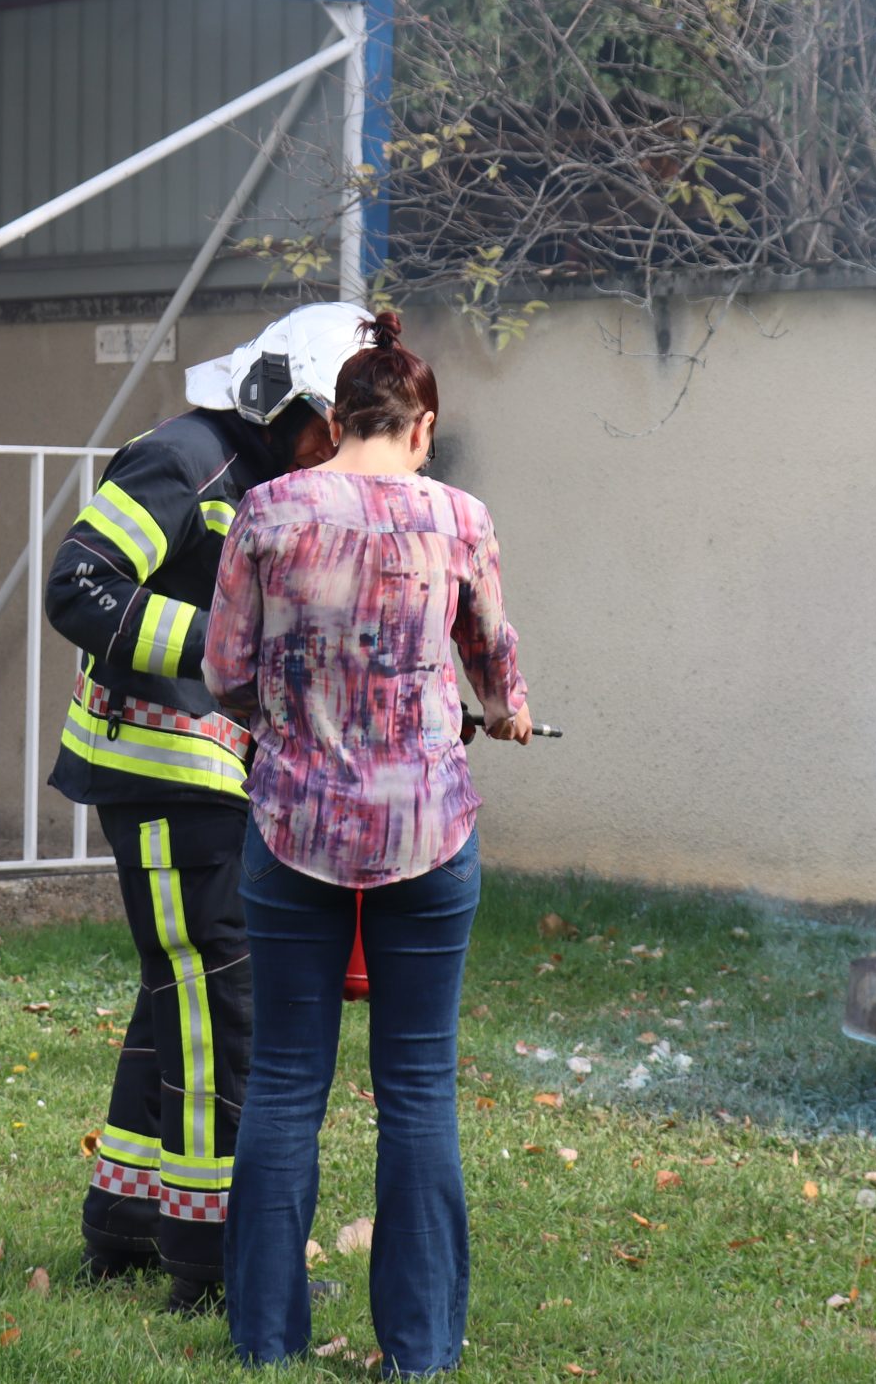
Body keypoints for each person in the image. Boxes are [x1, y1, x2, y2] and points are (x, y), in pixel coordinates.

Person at [204, 310, 533, 1374]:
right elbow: (494, 660)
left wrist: (296, 706)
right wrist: (505, 710)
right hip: (428, 831)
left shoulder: (267, 511)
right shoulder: (460, 517)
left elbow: (225, 671)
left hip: (291, 823)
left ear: (336, 417)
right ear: (421, 426)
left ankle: (265, 1342)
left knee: (285, 1083)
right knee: (419, 1090)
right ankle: (420, 1350)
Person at [45, 301, 380, 1313]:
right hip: (159, 773)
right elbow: (79, 584)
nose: (342, 448)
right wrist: (223, 648)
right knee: (219, 1009)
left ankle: (125, 1218)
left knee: (178, 993)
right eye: (335, 425)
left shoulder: (263, 477)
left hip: (204, 774)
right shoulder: (183, 459)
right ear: (286, 401)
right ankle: (213, 1251)